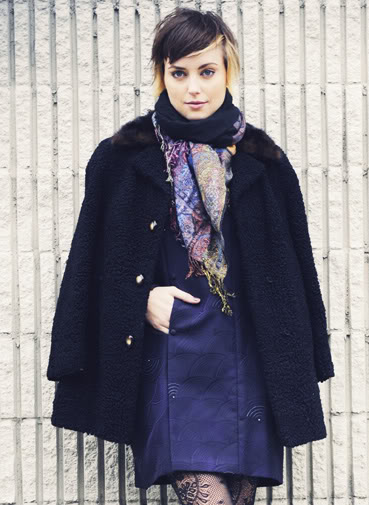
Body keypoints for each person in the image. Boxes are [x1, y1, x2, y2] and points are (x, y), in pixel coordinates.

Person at [46, 7, 335, 502]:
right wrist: (139, 301)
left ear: (228, 71)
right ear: (162, 75)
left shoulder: (263, 160)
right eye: (179, 73)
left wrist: (308, 360)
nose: (193, 88)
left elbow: (295, 272)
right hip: (171, 352)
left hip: (249, 352)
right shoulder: (122, 158)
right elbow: (89, 268)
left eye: (207, 71)